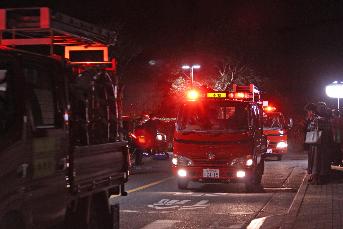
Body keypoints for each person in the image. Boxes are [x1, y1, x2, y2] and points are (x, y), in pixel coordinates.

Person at [306, 102, 333, 184]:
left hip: (316, 143)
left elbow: (310, 128)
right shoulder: (327, 119)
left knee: (316, 160)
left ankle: (316, 178)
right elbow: (329, 130)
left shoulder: (316, 119)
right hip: (325, 143)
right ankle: (322, 177)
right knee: (323, 161)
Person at [304, 103, 316, 176]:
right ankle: (310, 171)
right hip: (311, 140)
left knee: (312, 157)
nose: (308, 113)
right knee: (311, 156)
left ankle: (311, 172)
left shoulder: (313, 119)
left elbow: (308, 129)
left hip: (313, 140)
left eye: (308, 111)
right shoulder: (309, 119)